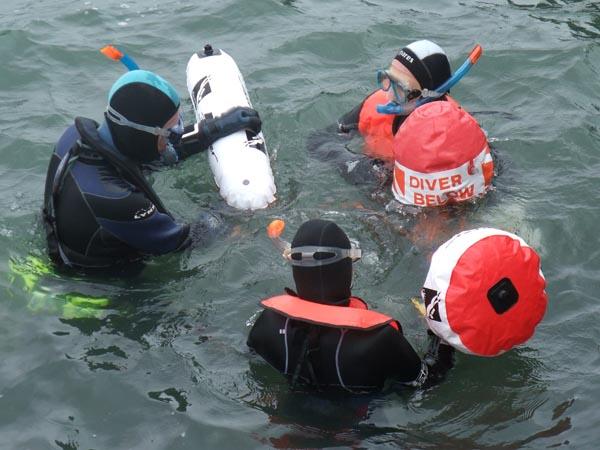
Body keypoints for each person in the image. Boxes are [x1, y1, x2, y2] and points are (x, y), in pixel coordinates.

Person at [43, 69, 261, 270]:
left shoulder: (75, 137)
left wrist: (213, 129)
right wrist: (233, 208)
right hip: (98, 288)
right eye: (169, 132)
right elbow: (182, 241)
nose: (174, 137)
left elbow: (152, 152)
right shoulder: (117, 199)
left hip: (62, 243)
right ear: (139, 136)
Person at [247, 219, 454, 393]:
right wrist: (440, 335)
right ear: (347, 270)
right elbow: (427, 384)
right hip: (360, 434)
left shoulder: (266, 323)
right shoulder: (379, 339)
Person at [308, 40, 482, 189]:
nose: (389, 94)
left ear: (427, 94)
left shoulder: (453, 133)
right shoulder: (374, 104)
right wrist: (356, 165)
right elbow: (319, 141)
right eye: (387, 79)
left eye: (399, 87)